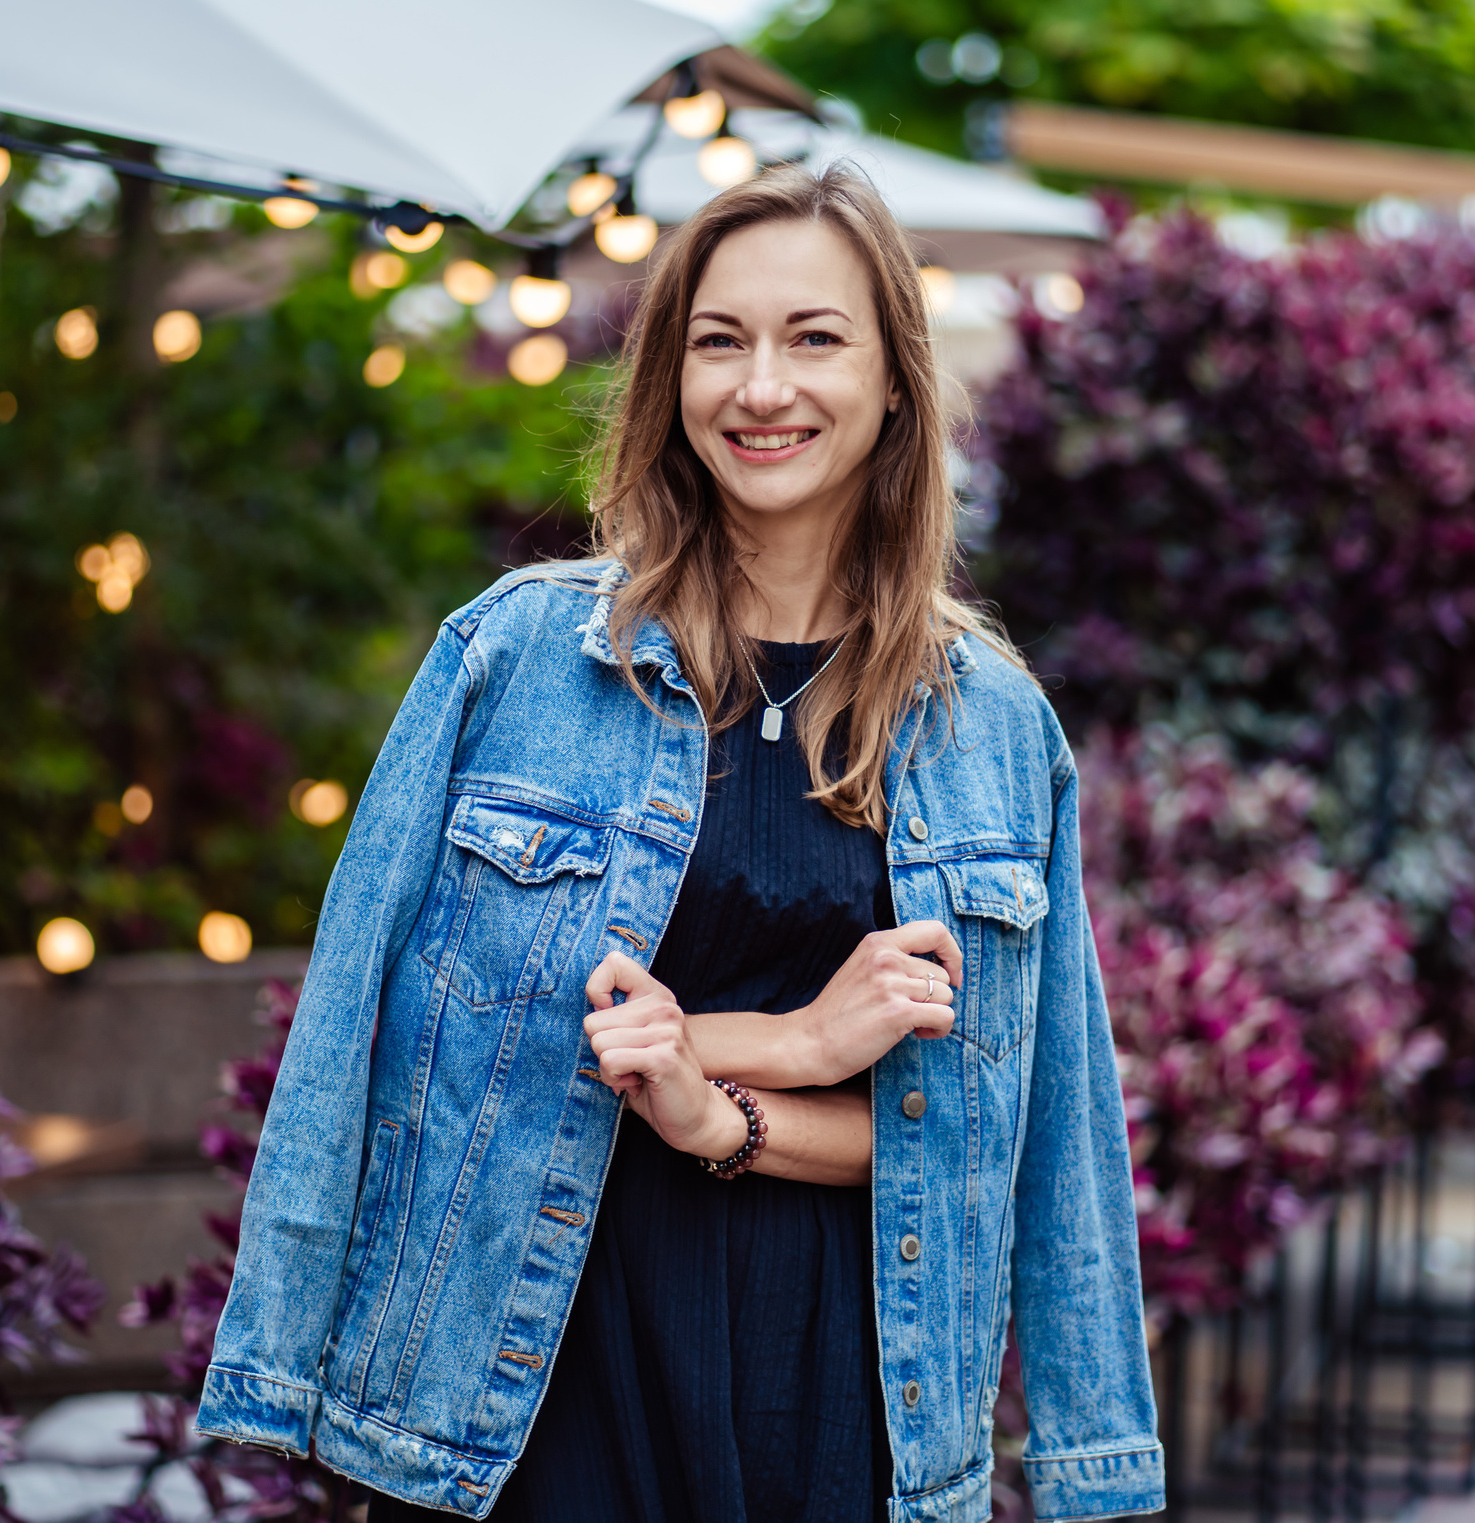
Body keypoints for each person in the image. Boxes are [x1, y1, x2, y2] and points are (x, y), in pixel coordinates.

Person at [193, 165, 1162, 1523]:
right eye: (721, 340)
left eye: (815, 337)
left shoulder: (992, 725)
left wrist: (1092, 1460)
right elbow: (370, 1032)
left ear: (895, 381)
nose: (763, 387)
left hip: (848, 1389)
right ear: (669, 380)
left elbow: (1012, 1130)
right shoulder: (514, 658)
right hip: (530, 1377)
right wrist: (809, 1042)